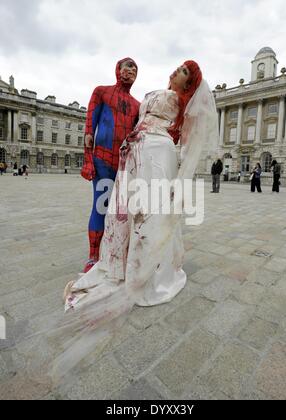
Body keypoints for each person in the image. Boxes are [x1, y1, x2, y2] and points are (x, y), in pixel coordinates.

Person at [48, 61, 218, 381]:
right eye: (177, 67)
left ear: (189, 83)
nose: (175, 70)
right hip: (135, 153)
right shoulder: (133, 94)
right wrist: (93, 156)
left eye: (182, 70)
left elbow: (185, 135)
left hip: (156, 152)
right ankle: (116, 260)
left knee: (148, 213)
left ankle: (146, 270)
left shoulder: (182, 104)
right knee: (120, 211)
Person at [81, 58, 140, 274]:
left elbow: (139, 136)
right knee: (101, 205)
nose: (131, 69)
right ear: (118, 70)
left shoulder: (137, 106)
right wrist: (88, 160)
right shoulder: (101, 92)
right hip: (103, 160)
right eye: (128, 66)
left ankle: (115, 251)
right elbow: (89, 130)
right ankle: (93, 256)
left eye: (135, 67)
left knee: (122, 211)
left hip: (124, 166)